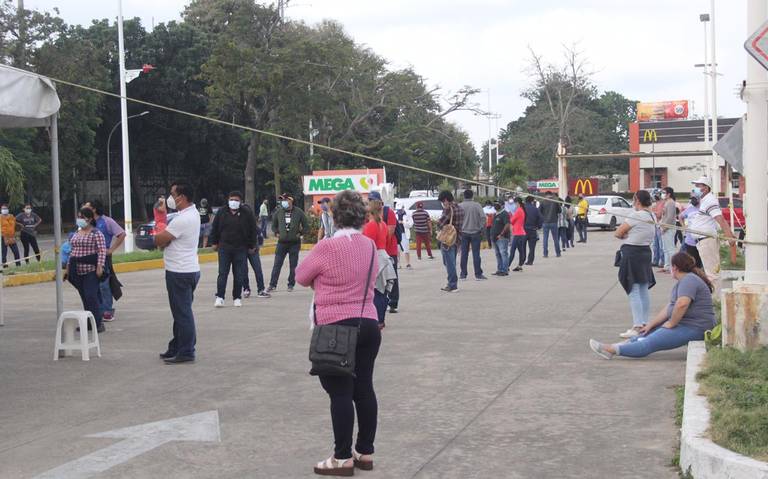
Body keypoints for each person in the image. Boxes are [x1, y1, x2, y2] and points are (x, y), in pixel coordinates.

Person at [294, 190, 382, 476]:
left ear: (333, 214)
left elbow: (301, 277)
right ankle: (365, 452)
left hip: (336, 327)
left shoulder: (326, 247)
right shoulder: (368, 245)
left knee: (340, 393)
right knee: (364, 389)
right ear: (362, 216)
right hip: (368, 322)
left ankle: (342, 457)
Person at [589, 252, 716, 359]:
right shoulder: (685, 280)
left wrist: (672, 323)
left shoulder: (689, 280)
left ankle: (612, 350)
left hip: (695, 328)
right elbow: (669, 308)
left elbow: (682, 304)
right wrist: (651, 325)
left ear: (675, 268)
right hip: (686, 324)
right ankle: (616, 346)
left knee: (650, 343)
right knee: (645, 333)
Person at [154, 182, 201, 364]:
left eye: (172, 194)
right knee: (181, 312)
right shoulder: (191, 213)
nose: (169, 198)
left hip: (179, 272)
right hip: (188, 269)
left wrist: (159, 219)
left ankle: (187, 350)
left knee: (182, 313)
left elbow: (160, 239)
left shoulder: (184, 219)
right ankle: (177, 345)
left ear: (181, 197)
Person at [614, 190, 657, 339]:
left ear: (637, 200)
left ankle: (638, 325)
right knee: (643, 289)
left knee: (633, 289)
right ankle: (644, 324)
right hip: (645, 252)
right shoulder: (652, 216)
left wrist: (627, 234)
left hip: (632, 254)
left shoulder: (636, 215)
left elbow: (618, 233)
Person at [688, 176, 736, 295]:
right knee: (711, 272)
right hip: (702, 240)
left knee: (712, 274)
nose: (696, 189)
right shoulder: (705, 200)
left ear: (706, 188)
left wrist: (729, 236)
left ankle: (715, 302)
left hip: (706, 240)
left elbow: (720, 219)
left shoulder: (710, 200)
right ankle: (714, 299)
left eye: (698, 186)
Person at [209, 191, 257, 308]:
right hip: (224, 248)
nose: (233, 202)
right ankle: (220, 297)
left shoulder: (246, 213)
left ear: (240, 202)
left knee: (239, 274)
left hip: (240, 248)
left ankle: (237, 297)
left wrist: (252, 245)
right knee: (222, 273)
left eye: (236, 200)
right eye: (231, 199)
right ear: (228, 200)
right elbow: (214, 228)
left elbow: (252, 230)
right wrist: (214, 242)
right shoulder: (222, 212)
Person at [67, 207, 107, 333]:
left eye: (82, 217)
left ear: (89, 219)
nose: (79, 219)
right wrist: (68, 267)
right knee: (84, 296)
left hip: (90, 270)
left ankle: (97, 322)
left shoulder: (96, 233)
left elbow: (102, 251)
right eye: (78, 217)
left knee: (91, 296)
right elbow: (72, 252)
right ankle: (89, 322)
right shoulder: (76, 233)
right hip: (76, 270)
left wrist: (100, 266)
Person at [86, 200, 125, 323]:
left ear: (94, 209)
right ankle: (96, 310)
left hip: (103, 256)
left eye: (87, 207)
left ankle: (107, 311)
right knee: (92, 284)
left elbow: (121, 234)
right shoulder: (87, 223)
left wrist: (111, 249)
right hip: (89, 256)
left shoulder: (107, 221)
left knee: (104, 284)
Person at [363, 194, 396, 324]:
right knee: (382, 291)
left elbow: (368, 243)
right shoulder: (382, 223)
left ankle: (378, 319)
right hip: (383, 255)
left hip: (375, 256)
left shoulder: (371, 225)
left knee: (376, 291)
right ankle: (381, 319)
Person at [269, 194, 308, 292]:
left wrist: (300, 233)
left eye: (285, 199)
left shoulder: (299, 212)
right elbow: (273, 225)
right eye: (282, 200)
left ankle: (291, 284)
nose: (284, 202)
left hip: (294, 243)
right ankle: (272, 285)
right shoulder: (278, 212)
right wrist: (276, 233)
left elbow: (306, 225)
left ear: (291, 200)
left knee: (293, 265)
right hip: (281, 243)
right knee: (277, 264)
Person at [241, 201, 271, 300]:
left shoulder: (252, 224)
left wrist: (254, 247)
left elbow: (259, 235)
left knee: (257, 269)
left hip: (253, 249)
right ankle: (246, 288)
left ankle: (261, 289)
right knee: (243, 270)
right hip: (241, 249)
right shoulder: (238, 223)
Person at [458, 189, 487, 281]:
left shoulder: (460, 206)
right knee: (476, 254)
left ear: (464, 196)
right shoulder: (477, 205)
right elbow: (483, 217)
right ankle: (478, 274)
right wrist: (480, 227)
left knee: (464, 254)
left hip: (463, 233)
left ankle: (463, 274)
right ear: (472, 196)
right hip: (475, 232)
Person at [438, 191, 464, 292]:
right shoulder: (460, 208)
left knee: (449, 263)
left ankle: (452, 284)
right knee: (451, 262)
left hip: (447, 240)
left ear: (445, 200)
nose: (442, 203)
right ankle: (452, 283)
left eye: (442, 201)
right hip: (457, 238)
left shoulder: (448, 209)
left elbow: (440, 224)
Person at [678, 197, 703, 268]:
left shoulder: (703, 209)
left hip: (701, 240)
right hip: (690, 240)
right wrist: (683, 227)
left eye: (695, 198)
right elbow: (680, 216)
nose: (693, 201)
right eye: (692, 199)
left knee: (700, 263)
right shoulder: (689, 209)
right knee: (692, 262)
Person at [659, 187, 678, 273]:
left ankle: (674, 267)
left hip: (669, 228)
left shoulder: (671, 203)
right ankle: (667, 266)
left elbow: (670, 217)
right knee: (665, 248)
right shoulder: (667, 202)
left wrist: (665, 228)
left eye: (664, 192)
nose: (662, 194)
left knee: (670, 249)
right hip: (664, 228)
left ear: (669, 194)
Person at [539, 191, 561, 258]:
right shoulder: (555, 201)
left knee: (545, 238)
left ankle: (545, 254)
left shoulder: (543, 202)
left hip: (545, 222)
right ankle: (558, 253)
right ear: (551, 195)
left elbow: (539, 211)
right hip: (554, 222)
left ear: (546, 195)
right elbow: (560, 211)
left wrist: (543, 217)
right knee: (555, 238)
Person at [490, 201, 510, 276]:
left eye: (497, 205)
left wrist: (501, 234)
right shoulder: (495, 214)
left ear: (502, 205)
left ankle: (505, 270)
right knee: (498, 254)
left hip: (502, 237)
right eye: (494, 204)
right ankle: (499, 269)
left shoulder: (504, 214)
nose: (495, 206)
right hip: (494, 237)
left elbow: (507, 225)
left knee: (503, 253)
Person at [508, 196, 527, 272]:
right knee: (521, 251)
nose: (514, 205)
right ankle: (520, 266)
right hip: (521, 233)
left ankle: (507, 266)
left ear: (517, 203)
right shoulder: (522, 210)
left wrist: (510, 215)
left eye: (515, 203)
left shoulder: (518, 210)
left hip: (518, 233)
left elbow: (511, 221)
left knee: (512, 250)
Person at [523, 196, 542, 265]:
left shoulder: (522, 208)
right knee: (532, 247)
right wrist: (538, 226)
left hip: (523, 230)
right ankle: (530, 261)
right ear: (532, 201)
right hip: (533, 229)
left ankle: (522, 259)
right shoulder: (535, 209)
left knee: (523, 246)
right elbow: (540, 219)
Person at [396, 204, 412, 269]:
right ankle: (398, 264)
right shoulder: (395, 214)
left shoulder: (407, 215)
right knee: (397, 250)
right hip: (397, 234)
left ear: (403, 208)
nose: (399, 211)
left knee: (406, 249)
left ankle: (408, 264)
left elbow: (410, 224)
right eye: (398, 210)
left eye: (400, 209)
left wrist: (403, 222)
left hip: (404, 234)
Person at [652, 193, 665, 268]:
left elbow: (659, 215)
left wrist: (654, 212)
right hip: (655, 226)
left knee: (661, 245)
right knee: (655, 245)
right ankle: (655, 260)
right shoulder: (655, 204)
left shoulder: (662, 203)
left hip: (660, 225)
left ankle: (662, 261)